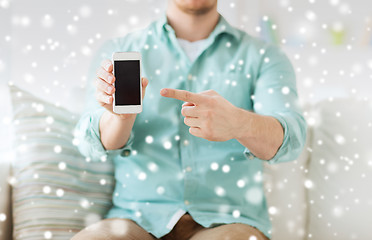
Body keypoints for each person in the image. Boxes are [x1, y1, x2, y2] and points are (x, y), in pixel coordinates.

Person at [72, 0, 307, 239]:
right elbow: (87, 143)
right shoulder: (119, 49)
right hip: (136, 221)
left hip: (227, 224)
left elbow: (292, 140)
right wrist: (120, 119)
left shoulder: (264, 56)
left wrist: (239, 122)